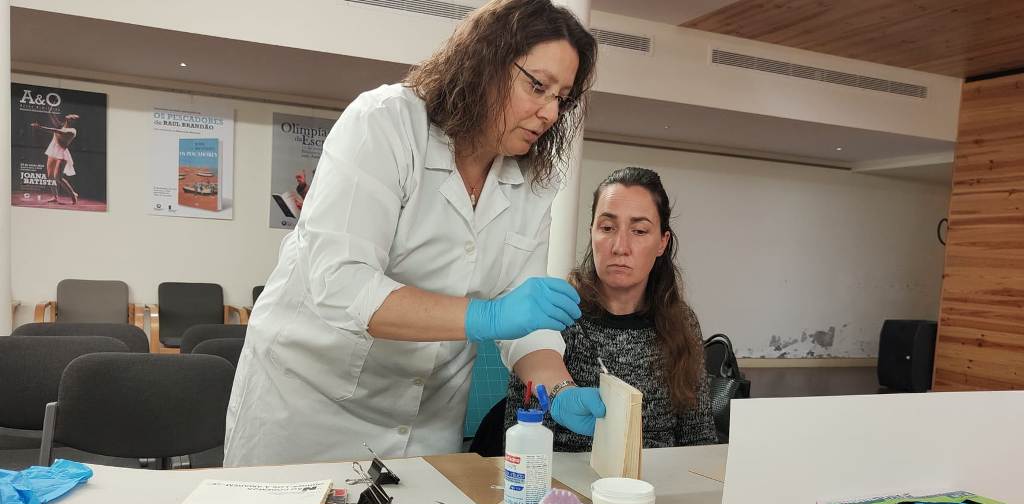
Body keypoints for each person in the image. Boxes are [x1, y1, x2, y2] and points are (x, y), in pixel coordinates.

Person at [224, 0, 605, 467]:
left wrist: (559, 388)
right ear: (485, 63)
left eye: (562, 98)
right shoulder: (384, 124)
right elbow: (342, 284)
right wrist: (485, 316)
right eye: (538, 86)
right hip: (309, 408)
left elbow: (522, 325)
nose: (549, 113)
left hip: (425, 422)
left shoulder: (533, 181)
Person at [504, 167, 717, 451]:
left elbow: (699, 442)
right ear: (591, 232)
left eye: (639, 231)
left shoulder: (681, 323)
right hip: (565, 488)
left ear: (662, 243)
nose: (620, 246)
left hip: (654, 486)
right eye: (607, 228)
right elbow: (522, 438)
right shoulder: (556, 315)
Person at [31, 113, 80, 205]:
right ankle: (55, 197)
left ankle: (73, 194)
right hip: (53, 151)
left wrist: (40, 128)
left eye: (74, 117)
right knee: (50, 176)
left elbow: (55, 130)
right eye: (72, 115)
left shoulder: (72, 131)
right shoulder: (62, 125)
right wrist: (50, 112)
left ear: (73, 122)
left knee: (58, 177)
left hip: (62, 153)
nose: (71, 116)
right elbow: (55, 121)